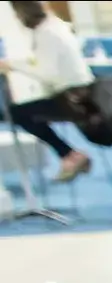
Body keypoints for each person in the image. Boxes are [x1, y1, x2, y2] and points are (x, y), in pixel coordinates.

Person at [0, 0, 94, 182]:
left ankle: (69, 155)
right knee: (26, 108)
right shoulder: (55, 27)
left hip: (73, 98)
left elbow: (48, 73)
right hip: (81, 93)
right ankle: (69, 155)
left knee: (18, 112)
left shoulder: (47, 34)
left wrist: (13, 66)